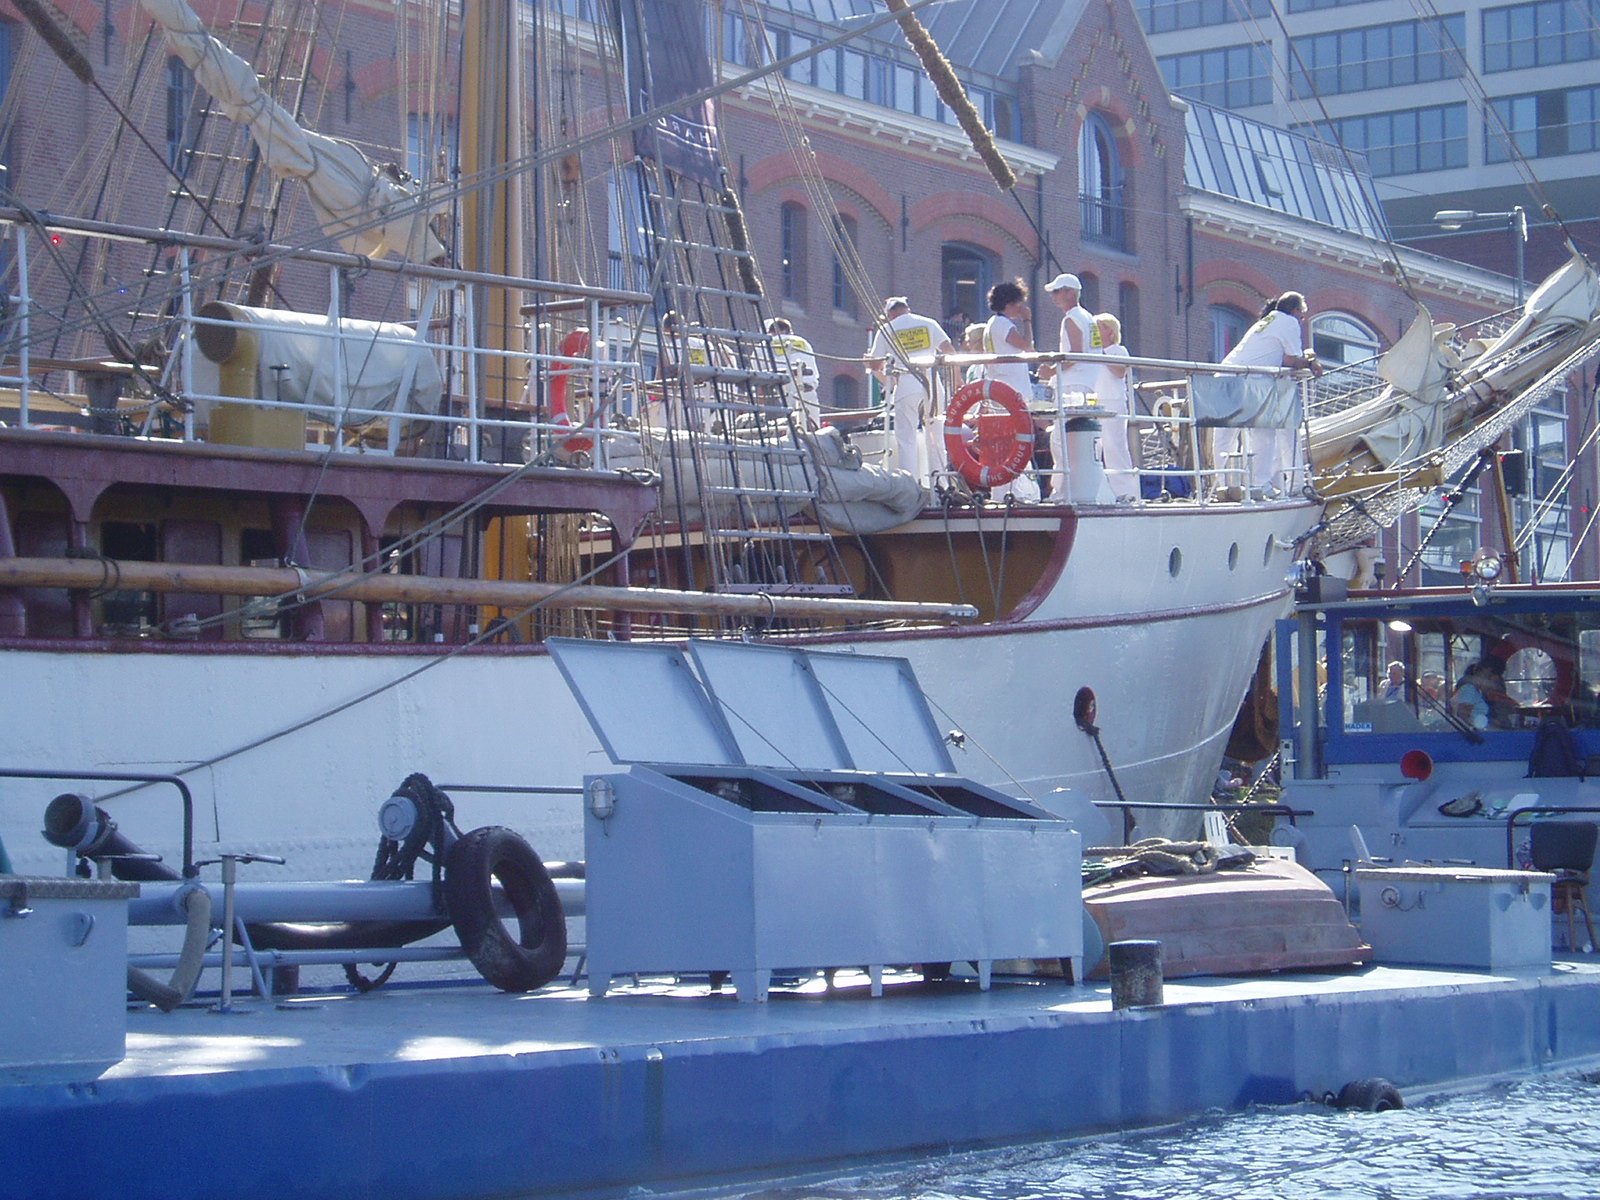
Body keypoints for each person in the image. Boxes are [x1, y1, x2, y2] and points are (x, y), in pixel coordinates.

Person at [1215, 291, 1323, 496]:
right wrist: (1311, 363)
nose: (1301, 321)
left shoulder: (1266, 322)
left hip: (1224, 375)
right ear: (1295, 311)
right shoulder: (1289, 322)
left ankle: (1221, 485)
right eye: (1302, 316)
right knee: (1263, 434)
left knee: (1225, 438)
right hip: (1252, 380)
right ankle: (1260, 484)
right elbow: (1291, 361)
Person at [866, 297, 954, 482]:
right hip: (932, 383)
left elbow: (875, 365)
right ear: (908, 308)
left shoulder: (887, 329)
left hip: (906, 385)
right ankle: (941, 483)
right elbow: (949, 351)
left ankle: (912, 484)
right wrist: (958, 380)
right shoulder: (928, 323)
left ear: (890, 314)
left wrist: (868, 360)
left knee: (907, 438)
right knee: (936, 435)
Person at [979, 279, 1040, 502]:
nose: (1020, 307)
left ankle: (1006, 488)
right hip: (1010, 388)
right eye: (1018, 303)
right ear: (1009, 303)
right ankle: (1014, 489)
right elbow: (1026, 345)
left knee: (1005, 440)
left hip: (1001, 385)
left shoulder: (992, 325)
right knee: (1015, 439)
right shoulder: (1003, 325)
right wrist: (1028, 320)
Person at [1089, 312, 1136, 501]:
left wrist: (1103, 355)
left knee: (1115, 447)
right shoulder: (1092, 353)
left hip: (1113, 402)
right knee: (1094, 447)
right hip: (1095, 403)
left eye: (1098, 328)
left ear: (1109, 331)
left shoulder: (1119, 350)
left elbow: (1120, 372)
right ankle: (1097, 490)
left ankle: (1126, 491)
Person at [1041, 273, 1099, 400]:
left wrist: (1051, 371)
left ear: (1071, 293)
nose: (1053, 296)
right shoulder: (1089, 318)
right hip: (1089, 382)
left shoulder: (1072, 318)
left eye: (1056, 291)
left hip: (1072, 384)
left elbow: (1076, 354)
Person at [766, 317, 819, 429]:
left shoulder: (766, 344)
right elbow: (814, 372)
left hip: (782, 393)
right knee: (813, 429)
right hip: (808, 390)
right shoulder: (803, 342)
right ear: (787, 330)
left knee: (785, 428)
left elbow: (758, 373)